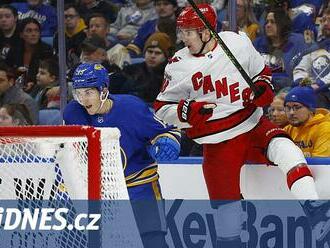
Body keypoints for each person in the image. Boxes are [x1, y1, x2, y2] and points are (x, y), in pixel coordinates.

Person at [154, 3, 329, 246]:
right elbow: (161, 109)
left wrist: (264, 89)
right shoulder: (177, 65)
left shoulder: (237, 43)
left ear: (207, 32)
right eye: (182, 32)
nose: (183, 38)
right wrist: (186, 111)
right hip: (217, 145)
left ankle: (316, 211)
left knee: (286, 149)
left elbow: (262, 74)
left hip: (251, 125)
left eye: (189, 32)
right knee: (227, 223)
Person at [63, 62, 180, 248]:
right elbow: (67, 152)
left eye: (89, 92)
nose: (83, 100)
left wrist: (167, 141)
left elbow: (167, 131)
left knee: (152, 241)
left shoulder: (131, 108)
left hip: (138, 185)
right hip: (97, 190)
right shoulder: (72, 113)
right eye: (79, 93)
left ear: (103, 90)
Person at [284, 83, 330, 157]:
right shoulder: (287, 130)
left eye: (297, 107)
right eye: (288, 107)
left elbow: (322, 164)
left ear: (311, 109)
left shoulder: (325, 129)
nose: (291, 112)